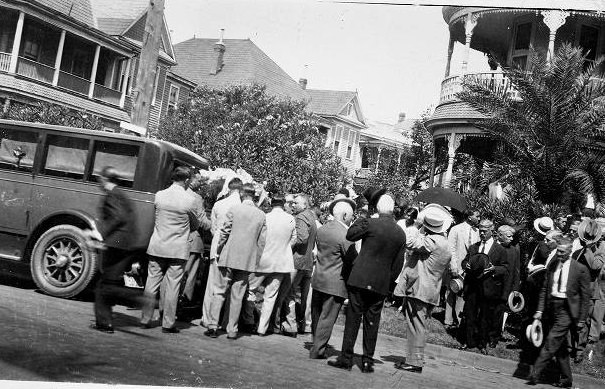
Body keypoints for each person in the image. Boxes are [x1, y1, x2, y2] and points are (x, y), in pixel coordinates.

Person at [328, 194, 406, 373]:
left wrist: (364, 216)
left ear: (377, 208)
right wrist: (387, 279)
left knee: (353, 318)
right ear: (392, 209)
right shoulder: (400, 233)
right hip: (380, 282)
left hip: (360, 277)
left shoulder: (370, 223)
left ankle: (346, 358)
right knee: (372, 321)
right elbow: (398, 263)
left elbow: (350, 234)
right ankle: (367, 361)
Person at [140, 166, 200, 333]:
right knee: (173, 286)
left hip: (157, 245)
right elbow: (195, 225)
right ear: (187, 180)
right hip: (177, 250)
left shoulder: (160, 195)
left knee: (151, 283)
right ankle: (168, 323)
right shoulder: (190, 201)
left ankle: (145, 319)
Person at [394, 204, 452, 373]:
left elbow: (409, 242)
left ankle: (415, 361)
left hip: (420, 288)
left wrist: (418, 226)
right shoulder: (444, 242)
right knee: (417, 324)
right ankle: (413, 359)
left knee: (416, 325)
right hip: (430, 288)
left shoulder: (432, 241)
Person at [528, 236, 591, 388]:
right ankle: (567, 379)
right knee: (561, 347)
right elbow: (544, 289)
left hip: (567, 310)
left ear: (570, 251)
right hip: (552, 307)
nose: (559, 254)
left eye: (562, 252)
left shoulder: (579, 269)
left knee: (551, 341)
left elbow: (585, 297)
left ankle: (535, 373)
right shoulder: (553, 265)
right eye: (558, 251)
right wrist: (539, 310)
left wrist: (581, 319)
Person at [211, 183, 267, 339]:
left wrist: (219, 251)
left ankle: (213, 326)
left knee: (219, 291)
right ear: (254, 196)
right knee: (237, 296)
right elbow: (262, 242)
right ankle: (232, 330)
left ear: (242, 194)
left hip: (228, 256)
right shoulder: (261, 215)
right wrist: (255, 261)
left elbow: (224, 232)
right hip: (246, 261)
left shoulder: (234, 209)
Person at [89, 166, 138, 333]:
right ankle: (106, 321)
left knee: (104, 285)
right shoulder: (121, 194)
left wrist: (102, 236)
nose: (98, 182)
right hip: (124, 244)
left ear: (104, 179)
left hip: (116, 244)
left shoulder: (112, 195)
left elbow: (118, 217)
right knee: (109, 282)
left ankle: (105, 323)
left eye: (99, 179)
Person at [241, 194, 296, 336]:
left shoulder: (265, 216)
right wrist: (283, 249)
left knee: (251, 289)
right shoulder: (290, 219)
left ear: (271, 204)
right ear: (283, 204)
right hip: (281, 262)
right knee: (271, 296)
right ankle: (262, 328)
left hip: (263, 260)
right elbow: (294, 239)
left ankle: (249, 321)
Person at [309, 198, 357, 359]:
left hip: (319, 277)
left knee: (316, 314)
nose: (352, 219)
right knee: (327, 318)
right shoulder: (345, 235)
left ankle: (316, 342)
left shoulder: (322, 229)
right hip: (335, 282)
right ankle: (318, 349)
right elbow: (352, 259)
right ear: (344, 215)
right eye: (351, 216)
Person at [201, 177, 242, 333]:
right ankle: (225, 322)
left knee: (212, 284)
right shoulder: (240, 206)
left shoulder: (219, 204)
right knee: (232, 288)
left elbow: (213, 228)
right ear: (241, 190)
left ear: (229, 189)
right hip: (234, 250)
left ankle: (207, 318)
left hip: (217, 246)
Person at [460, 219, 507, 353]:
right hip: (473, 286)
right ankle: (468, 341)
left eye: (485, 231)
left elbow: (505, 268)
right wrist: (466, 265)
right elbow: (465, 260)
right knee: (470, 314)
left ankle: (482, 343)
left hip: (489, 288)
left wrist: (494, 269)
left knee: (485, 317)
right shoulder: (474, 247)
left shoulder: (500, 250)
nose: (481, 233)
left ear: (492, 231)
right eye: (480, 230)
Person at [279, 193, 317, 337]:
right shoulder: (311, 216)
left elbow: (301, 239)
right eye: (292, 203)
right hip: (305, 261)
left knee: (288, 293)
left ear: (305, 205)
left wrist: (286, 247)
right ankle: (298, 324)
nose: (293, 205)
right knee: (296, 294)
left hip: (296, 260)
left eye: (296, 203)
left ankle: (290, 325)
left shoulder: (301, 217)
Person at [572, 219, 605, 363]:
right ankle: (570, 347)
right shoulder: (578, 252)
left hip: (589, 293)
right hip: (575, 291)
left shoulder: (599, 252)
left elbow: (594, 266)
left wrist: (589, 248)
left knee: (584, 323)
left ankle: (579, 350)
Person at [445, 208, 480, 329]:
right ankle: (448, 319)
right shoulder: (456, 229)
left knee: (463, 293)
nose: (479, 218)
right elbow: (451, 249)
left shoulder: (477, 231)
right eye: (477, 215)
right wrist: (453, 265)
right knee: (451, 291)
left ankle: (459, 320)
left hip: (469, 268)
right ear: (469, 216)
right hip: (456, 265)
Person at [181, 172, 212, 306]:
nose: (200, 184)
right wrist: (212, 223)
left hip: (177, 238)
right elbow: (202, 221)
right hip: (193, 240)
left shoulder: (178, 194)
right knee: (190, 275)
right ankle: (184, 303)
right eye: (199, 181)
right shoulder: (196, 198)